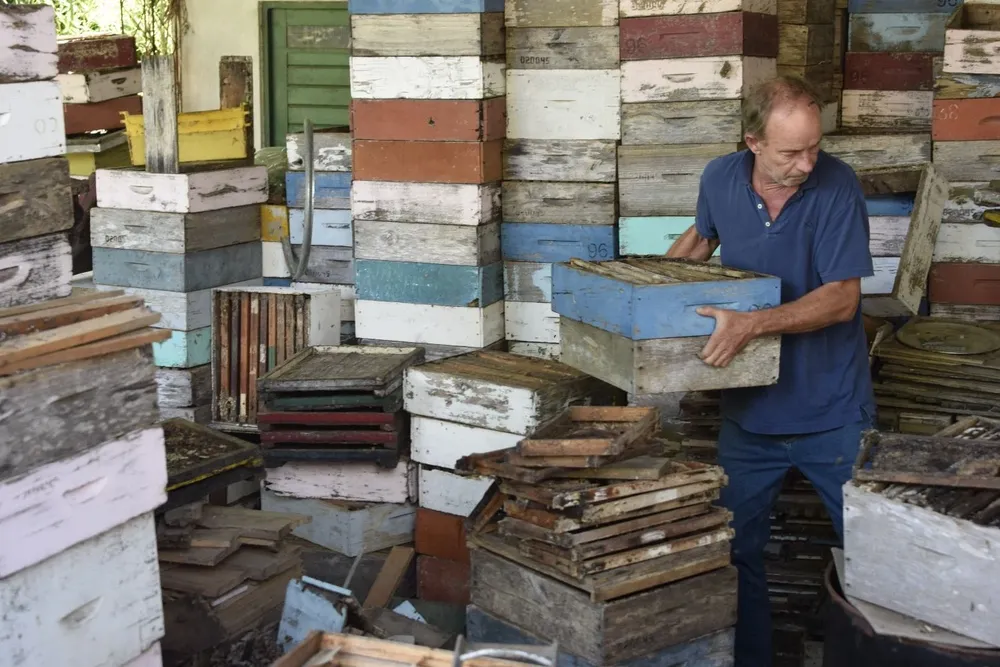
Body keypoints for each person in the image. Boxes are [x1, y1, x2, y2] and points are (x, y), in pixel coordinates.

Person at [665, 76, 876, 667]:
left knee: (874, 556)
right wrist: (637, 293)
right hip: (749, 415)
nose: (808, 163)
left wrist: (750, 324)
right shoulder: (719, 178)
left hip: (832, 413)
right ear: (753, 142)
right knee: (735, 554)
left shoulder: (837, 186)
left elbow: (841, 299)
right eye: (791, 152)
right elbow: (701, 240)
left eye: (814, 147)